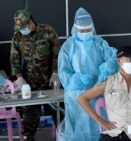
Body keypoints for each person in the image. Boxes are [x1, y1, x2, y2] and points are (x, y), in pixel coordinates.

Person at [58, 7, 118, 141]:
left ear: (92, 28)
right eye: (82, 31)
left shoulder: (100, 42)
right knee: (78, 129)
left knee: (100, 124)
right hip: (76, 96)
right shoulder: (68, 46)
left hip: (98, 91)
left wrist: (106, 69)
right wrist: (76, 79)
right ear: (75, 29)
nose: (85, 33)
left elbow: (114, 57)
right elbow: (63, 73)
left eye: (87, 30)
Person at [77, 45, 131, 141]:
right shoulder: (108, 82)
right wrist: (100, 120)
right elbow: (82, 98)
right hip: (115, 132)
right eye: (129, 59)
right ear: (119, 61)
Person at [10, 9, 61, 141]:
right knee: (29, 113)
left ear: (31, 22)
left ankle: (63, 134)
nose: (22, 30)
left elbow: (57, 55)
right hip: (29, 82)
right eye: (19, 28)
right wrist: (20, 79)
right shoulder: (17, 36)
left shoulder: (48, 31)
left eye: (24, 27)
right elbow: (14, 60)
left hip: (49, 80)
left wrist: (56, 73)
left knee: (58, 111)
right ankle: (29, 137)